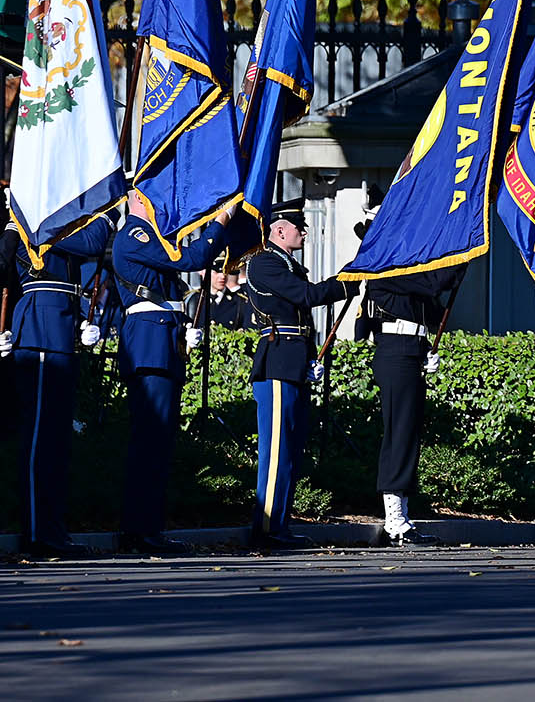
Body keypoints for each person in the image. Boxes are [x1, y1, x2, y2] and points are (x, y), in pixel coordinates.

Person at [110, 200, 231, 554]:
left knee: (158, 444)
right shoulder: (135, 234)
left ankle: (148, 528)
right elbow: (190, 260)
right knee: (149, 442)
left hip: (162, 342)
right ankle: (139, 531)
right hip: (150, 344)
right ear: (136, 202)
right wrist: (220, 221)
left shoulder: (151, 238)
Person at [4, 210, 115, 557]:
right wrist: (106, 212)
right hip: (38, 330)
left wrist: (83, 314)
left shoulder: (52, 228)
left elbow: (78, 265)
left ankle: (53, 529)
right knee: (38, 442)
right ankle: (37, 533)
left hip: (61, 328)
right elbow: (93, 240)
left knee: (57, 442)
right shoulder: (29, 222)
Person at [245, 203, 347, 549]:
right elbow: (306, 296)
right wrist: (344, 283)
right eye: (298, 226)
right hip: (276, 363)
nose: (303, 231)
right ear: (279, 230)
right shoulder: (265, 262)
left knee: (289, 449)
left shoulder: (288, 265)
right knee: (276, 452)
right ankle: (267, 529)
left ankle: (280, 525)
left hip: (294, 363)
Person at [360, 255, 463, 547]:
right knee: (399, 435)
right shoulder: (383, 268)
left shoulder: (403, 272)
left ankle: (402, 517)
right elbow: (432, 283)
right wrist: (462, 258)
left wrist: (425, 346)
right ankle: (394, 520)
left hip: (411, 352)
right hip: (395, 353)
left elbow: (432, 309)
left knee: (410, 436)